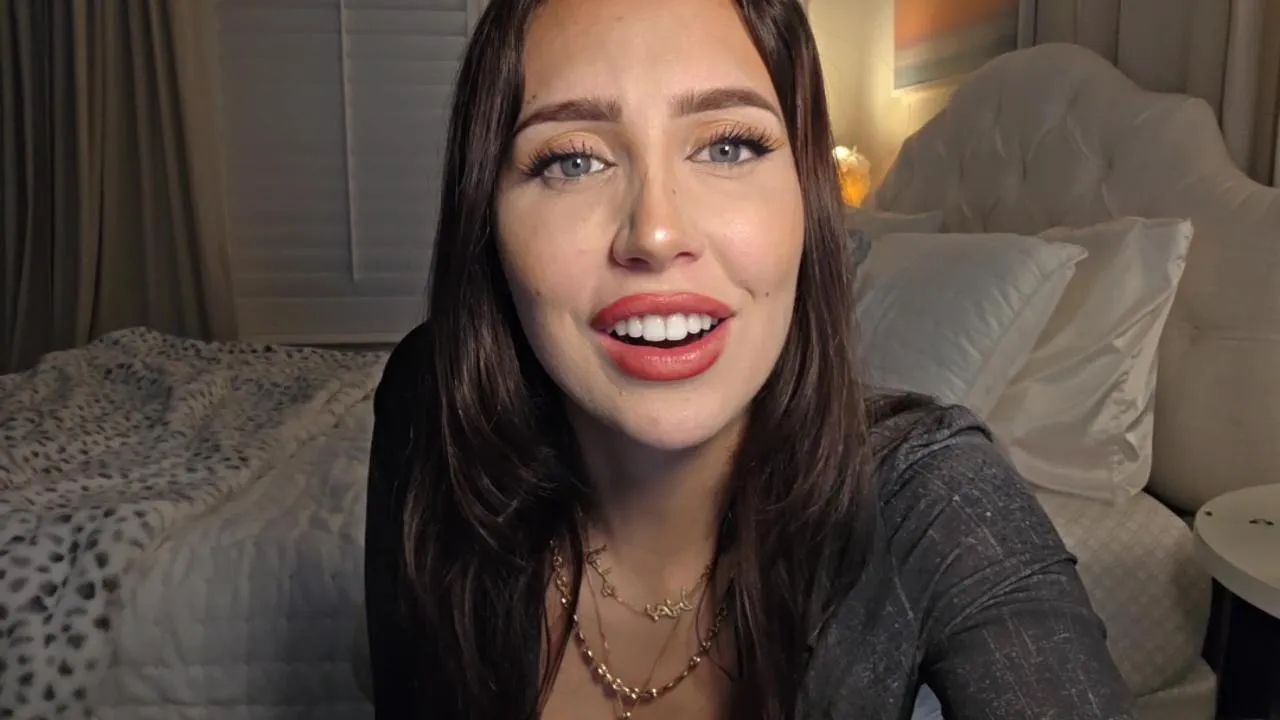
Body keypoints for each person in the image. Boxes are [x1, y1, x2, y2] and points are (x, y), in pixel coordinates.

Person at [362, 0, 1138, 717]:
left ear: (808, 197)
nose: (656, 233)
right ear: (487, 220)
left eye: (728, 146)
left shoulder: (937, 498)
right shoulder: (427, 402)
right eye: (572, 160)